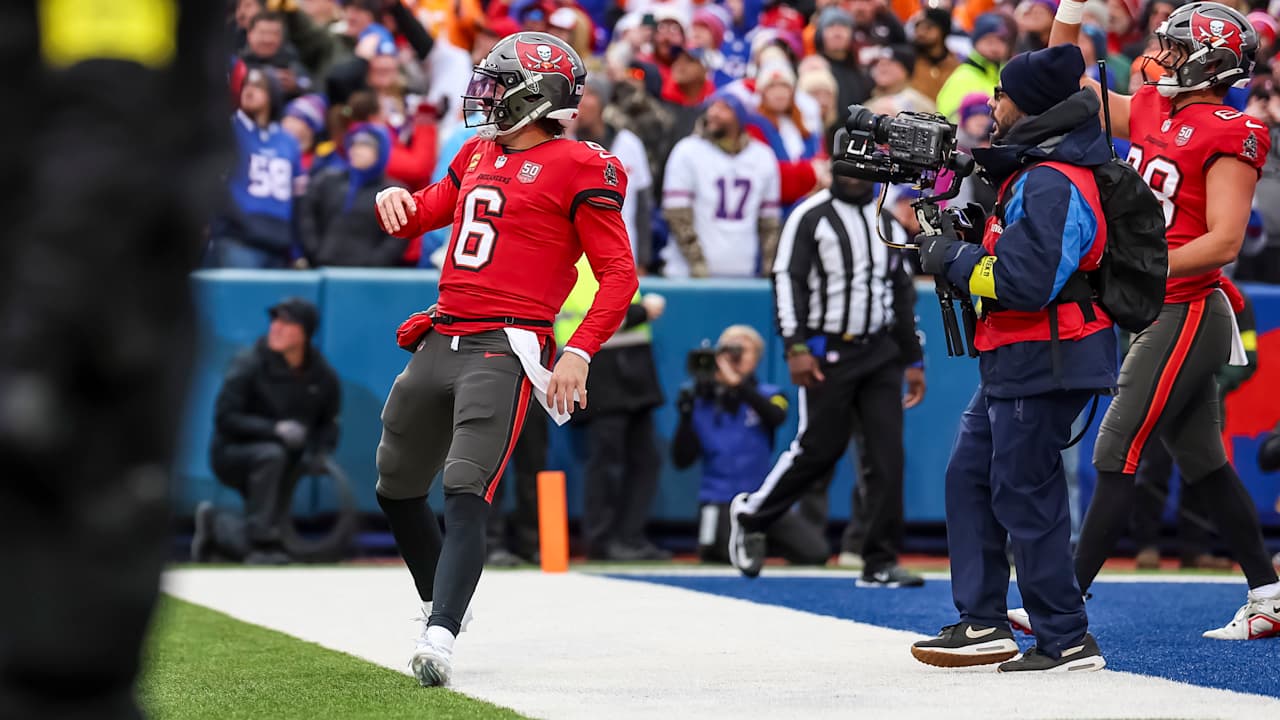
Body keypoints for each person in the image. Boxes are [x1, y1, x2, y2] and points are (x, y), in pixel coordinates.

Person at [372, 32, 638, 686]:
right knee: (395, 484)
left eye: (498, 85)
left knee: (466, 487)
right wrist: (395, 201)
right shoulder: (478, 152)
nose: (485, 97)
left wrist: (578, 350)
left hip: (505, 345)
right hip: (442, 333)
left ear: (534, 96)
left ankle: (439, 634)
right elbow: (423, 213)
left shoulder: (581, 165)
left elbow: (619, 275)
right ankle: (445, 602)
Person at [1026, 0, 1280, 642]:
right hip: (1154, 308)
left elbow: (1224, 241)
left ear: (1209, 63)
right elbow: (1062, 76)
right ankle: (1270, 594)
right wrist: (1071, 9)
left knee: (1115, 448)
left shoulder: (1232, 129)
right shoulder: (1151, 108)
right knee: (1202, 462)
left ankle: (1061, 603)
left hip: (1187, 306)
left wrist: (1137, 267)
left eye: (1175, 47)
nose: (1159, 55)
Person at [0, 4, 227, 717]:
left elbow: (107, 122)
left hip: (83, 329)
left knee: (58, 664)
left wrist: (32, 344)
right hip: (76, 306)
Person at [910, 44, 1114, 672]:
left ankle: (1066, 637)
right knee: (970, 476)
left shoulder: (1052, 179)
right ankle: (983, 622)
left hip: (1047, 354)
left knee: (1025, 492)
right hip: (1019, 352)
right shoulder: (1038, 170)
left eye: (1001, 93)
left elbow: (1026, 283)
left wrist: (954, 257)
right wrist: (969, 243)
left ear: (1028, 103)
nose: (993, 104)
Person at [728, 134, 926, 588]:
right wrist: (795, 348)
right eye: (847, 165)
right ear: (834, 166)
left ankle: (879, 560)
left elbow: (902, 295)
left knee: (887, 456)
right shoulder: (810, 216)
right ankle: (753, 515)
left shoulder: (888, 224)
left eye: (863, 166)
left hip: (879, 352)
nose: (854, 175)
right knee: (819, 449)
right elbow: (787, 281)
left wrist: (913, 358)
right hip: (827, 350)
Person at [194, 298, 341, 564]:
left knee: (279, 531)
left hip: (288, 458)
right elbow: (225, 418)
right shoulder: (248, 363)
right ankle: (261, 544)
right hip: (233, 453)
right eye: (275, 320)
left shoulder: (322, 374)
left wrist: (319, 453)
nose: (276, 327)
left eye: (287, 322)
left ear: (305, 332)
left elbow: (328, 423)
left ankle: (217, 527)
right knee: (271, 455)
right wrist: (275, 429)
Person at [675, 326, 830, 566]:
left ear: (756, 358)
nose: (733, 356)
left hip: (760, 499)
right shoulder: (701, 400)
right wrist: (686, 417)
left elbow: (776, 416)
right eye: (728, 349)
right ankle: (750, 543)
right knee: (721, 557)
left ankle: (761, 540)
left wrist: (739, 385)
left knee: (815, 552)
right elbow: (682, 459)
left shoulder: (770, 394)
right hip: (719, 499)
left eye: (741, 350)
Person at [556, 257, 669, 560]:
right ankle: (602, 540)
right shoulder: (573, 262)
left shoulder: (612, 257)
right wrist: (642, 312)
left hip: (633, 371)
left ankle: (630, 537)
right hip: (601, 371)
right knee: (606, 462)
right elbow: (594, 319)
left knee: (645, 460)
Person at [661, 94, 783, 278]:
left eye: (724, 108)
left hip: (742, 270)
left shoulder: (763, 156)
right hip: (688, 275)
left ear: (740, 117)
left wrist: (768, 268)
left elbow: (769, 224)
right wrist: (697, 265)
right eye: (713, 106)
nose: (714, 113)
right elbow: (677, 215)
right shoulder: (687, 151)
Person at [209, 67, 303, 268]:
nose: (249, 91)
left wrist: (297, 251)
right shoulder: (229, 131)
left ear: (273, 94)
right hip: (238, 239)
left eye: (258, 86)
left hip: (279, 241)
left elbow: (298, 200)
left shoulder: (288, 142)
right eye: (246, 85)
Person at [299, 124, 407, 267]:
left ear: (381, 151)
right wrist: (316, 252)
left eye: (365, 145)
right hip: (325, 266)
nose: (357, 150)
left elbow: (398, 236)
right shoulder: (328, 181)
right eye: (354, 144)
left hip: (367, 273)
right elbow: (307, 216)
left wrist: (375, 263)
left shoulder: (391, 192)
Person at [936, 12, 1011, 121]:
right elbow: (949, 118)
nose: (995, 47)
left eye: (1002, 41)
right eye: (989, 41)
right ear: (975, 43)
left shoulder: (1005, 77)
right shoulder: (962, 77)